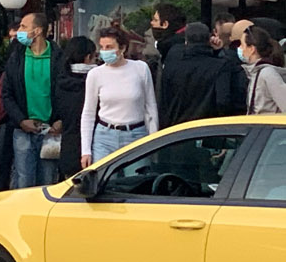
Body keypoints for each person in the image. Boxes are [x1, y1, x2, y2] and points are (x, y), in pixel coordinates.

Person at [81, 27, 159, 166]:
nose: (105, 51)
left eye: (110, 47)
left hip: (136, 135)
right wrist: (86, 150)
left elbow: (150, 106)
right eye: (102, 47)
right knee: (103, 183)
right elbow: (88, 113)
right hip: (104, 136)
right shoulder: (95, 74)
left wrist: (153, 139)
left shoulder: (141, 68)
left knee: (135, 183)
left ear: (122, 48)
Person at [2, 12, 60, 188]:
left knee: (48, 182)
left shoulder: (58, 57)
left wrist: (60, 120)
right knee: (24, 182)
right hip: (24, 130)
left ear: (37, 31)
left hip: (51, 131)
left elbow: (66, 93)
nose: (19, 30)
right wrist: (20, 120)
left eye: (23, 27)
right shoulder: (17, 57)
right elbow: (7, 93)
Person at [158, 21, 247, 127]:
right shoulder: (220, 66)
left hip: (176, 127)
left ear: (186, 41)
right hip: (207, 128)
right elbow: (223, 101)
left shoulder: (173, 61)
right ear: (209, 40)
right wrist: (219, 51)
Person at [53, 36, 97, 173]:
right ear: (88, 57)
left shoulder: (61, 80)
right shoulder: (95, 81)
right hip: (94, 146)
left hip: (68, 146)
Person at [240, 21, 286, 114]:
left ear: (252, 49)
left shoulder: (267, 74)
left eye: (242, 44)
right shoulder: (255, 73)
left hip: (267, 127)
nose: (240, 48)